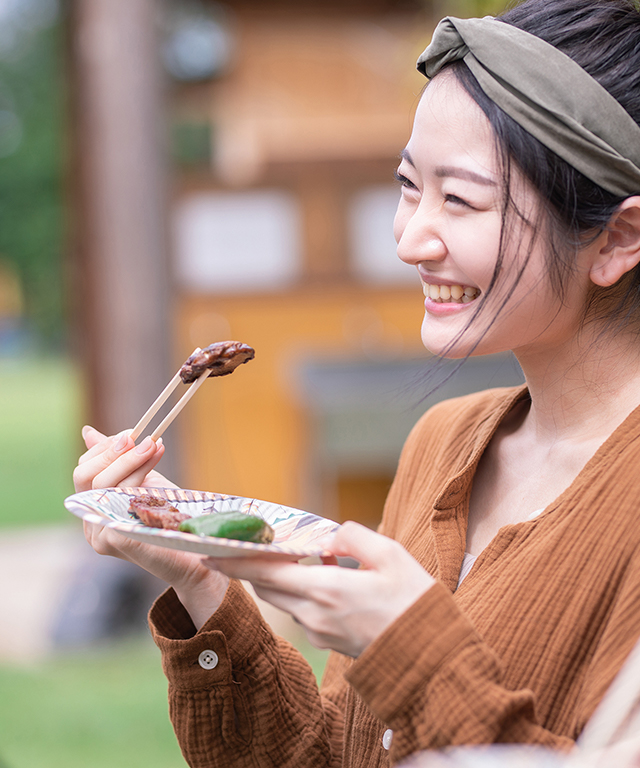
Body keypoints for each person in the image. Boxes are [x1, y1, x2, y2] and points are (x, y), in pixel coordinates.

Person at [72, 0, 640, 765]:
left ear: (618, 239)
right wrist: (196, 573)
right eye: (409, 186)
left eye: (461, 199)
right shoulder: (445, 444)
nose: (409, 238)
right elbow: (334, 755)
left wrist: (410, 651)